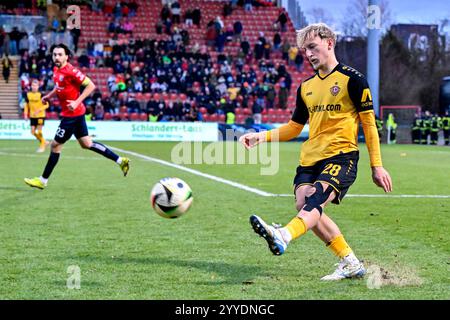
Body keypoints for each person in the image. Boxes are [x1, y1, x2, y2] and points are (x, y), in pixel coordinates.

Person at [239, 23, 392, 281]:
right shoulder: (305, 87)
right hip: (310, 158)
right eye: (304, 50)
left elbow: (369, 125)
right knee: (304, 204)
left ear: (329, 43)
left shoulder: (353, 80)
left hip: (341, 156)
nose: (308, 54)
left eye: (312, 47)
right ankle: (350, 262)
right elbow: (293, 128)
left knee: (315, 199)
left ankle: (283, 235)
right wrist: (261, 136)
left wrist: (376, 165)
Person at [24, 44, 130, 190]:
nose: (56, 57)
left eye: (60, 54)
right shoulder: (56, 69)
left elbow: (91, 85)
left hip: (72, 115)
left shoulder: (71, 71)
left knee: (55, 145)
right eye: (54, 54)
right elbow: (59, 86)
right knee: (87, 144)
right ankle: (120, 160)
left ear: (66, 56)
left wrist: (76, 101)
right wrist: (49, 96)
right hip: (76, 113)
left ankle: (42, 180)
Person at [24, 79, 50, 152]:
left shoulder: (41, 94)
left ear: (38, 86)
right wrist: (25, 114)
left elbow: (47, 105)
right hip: (32, 116)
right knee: (32, 132)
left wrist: (39, 110)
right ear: (31, 86)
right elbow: (26, 105)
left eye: (35, 85)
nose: (34, 87)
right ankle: (44, 141)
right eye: (33, 85)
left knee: (39, 132)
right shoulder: (28, 94)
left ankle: (42, 146)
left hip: (40, 115)